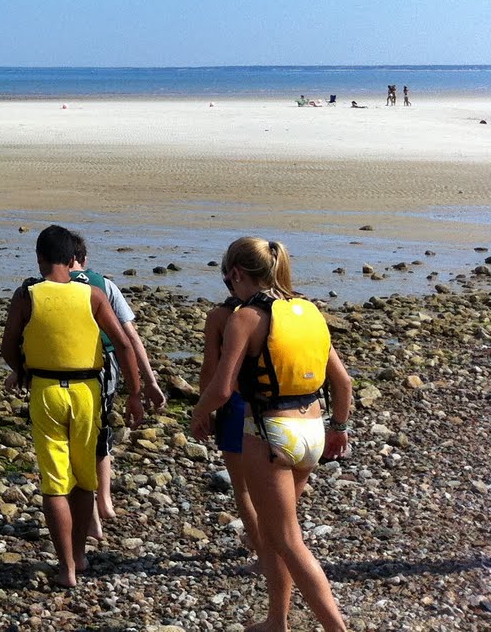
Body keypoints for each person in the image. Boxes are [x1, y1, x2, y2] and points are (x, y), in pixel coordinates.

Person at [190, 238, 352, 632]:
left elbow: (222, 388)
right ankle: (276, 620)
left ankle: (337, 628)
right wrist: (339, 428)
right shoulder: (308, 310)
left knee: (290, 541)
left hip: (271, 434)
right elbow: (344, 382)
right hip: (313, 430)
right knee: (274, 533)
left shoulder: (246, 317)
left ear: (236, 274)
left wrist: (199, 412)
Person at [1, 225, 144, 588]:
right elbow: (124, 344)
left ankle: (66, 569)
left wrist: (21, 370)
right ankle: (80, 556)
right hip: (86, 392)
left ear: (39, 258)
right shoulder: (92, 294)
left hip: (46, 390)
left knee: (54, 483)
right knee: (84, 480)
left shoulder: (27, 295)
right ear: (72, 260)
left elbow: (8, 345)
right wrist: (135, 393)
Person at [67, 232, 166, 538]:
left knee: (76, 437)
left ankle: (90, 514)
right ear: (83, 259)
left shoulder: (48, 286)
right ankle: (105, 502)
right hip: (105, 366)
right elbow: (130, 338)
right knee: (101, 431)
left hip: (68, 369)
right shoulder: (104, 285)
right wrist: (148, 382)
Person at [199, 292, 261, 558]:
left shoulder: (220, 316)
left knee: (243, 487)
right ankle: (270, 540)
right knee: (272, 484)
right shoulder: (277, 310)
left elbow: (210, 369)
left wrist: (203, 411)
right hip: (276, 406)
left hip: (236, 404)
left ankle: (263, 550)